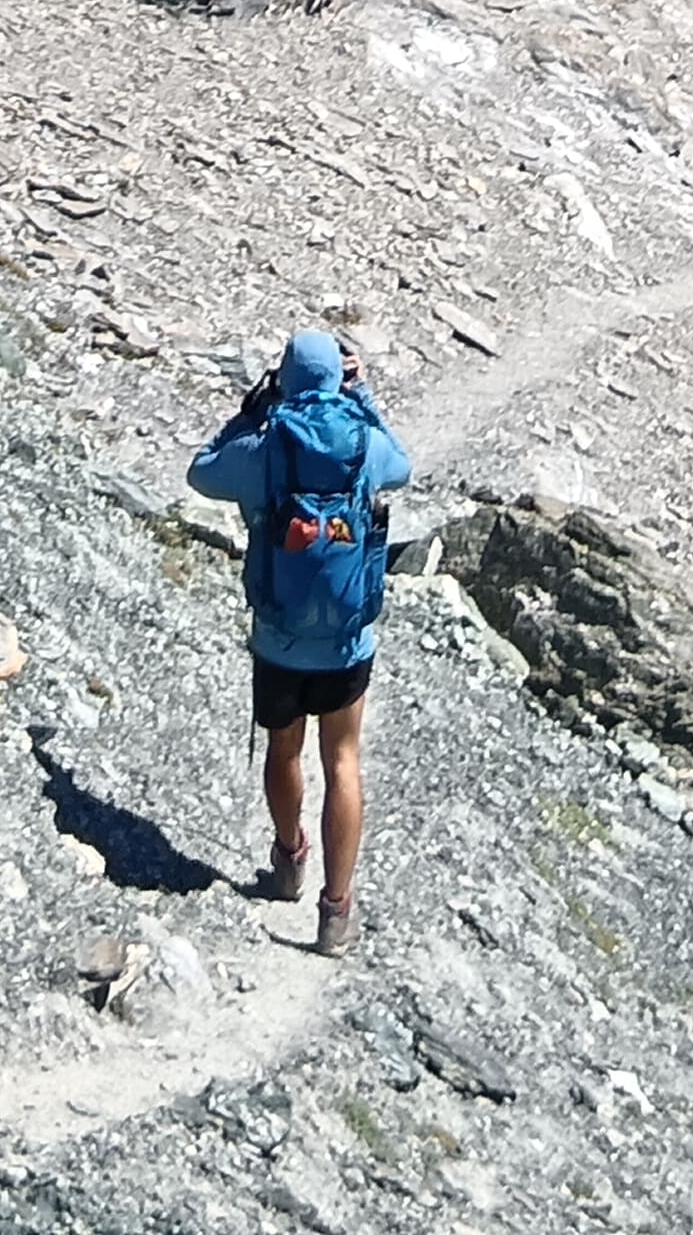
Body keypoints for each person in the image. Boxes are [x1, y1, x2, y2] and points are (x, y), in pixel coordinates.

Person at [184, 323, 412, 950]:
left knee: (284, 750)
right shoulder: (363, 443)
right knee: (343, 761)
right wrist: (364, 399)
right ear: (340, 377)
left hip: (279, 635)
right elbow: (404, 466)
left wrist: (249, 413)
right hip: (345, 641)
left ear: (285, 378)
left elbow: (200, 473)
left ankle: (289, 861)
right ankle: (336, 911)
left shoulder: (267, 447)